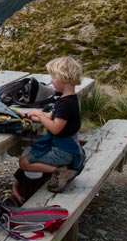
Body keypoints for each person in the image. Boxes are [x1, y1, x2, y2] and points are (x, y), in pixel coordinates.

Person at [12, 56, 84, 203]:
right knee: (29, 152)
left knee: (24, 162)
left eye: (53, 77)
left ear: (63, 78)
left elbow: (55, 128)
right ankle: (56, 172)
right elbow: (51, 117)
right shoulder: (68, 99)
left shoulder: (65, 104)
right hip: (69, 147)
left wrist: (38, 114)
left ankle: (61, 172)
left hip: (63, 152)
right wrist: (26, 114)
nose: (51, 81)